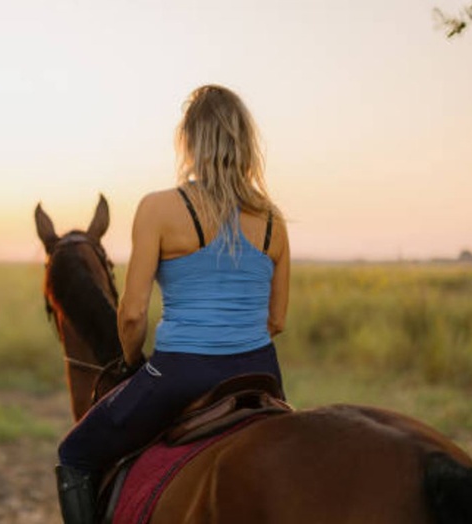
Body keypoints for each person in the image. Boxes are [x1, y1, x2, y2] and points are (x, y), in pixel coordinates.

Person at [54, 84, 291, 523]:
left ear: (189, 141)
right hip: (262, 376)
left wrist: (131, 362)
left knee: (75, 451)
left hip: (181, 373)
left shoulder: (160, 208)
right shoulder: (274, 221)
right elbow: (276, 318)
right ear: (246, 143)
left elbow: (131, 314)